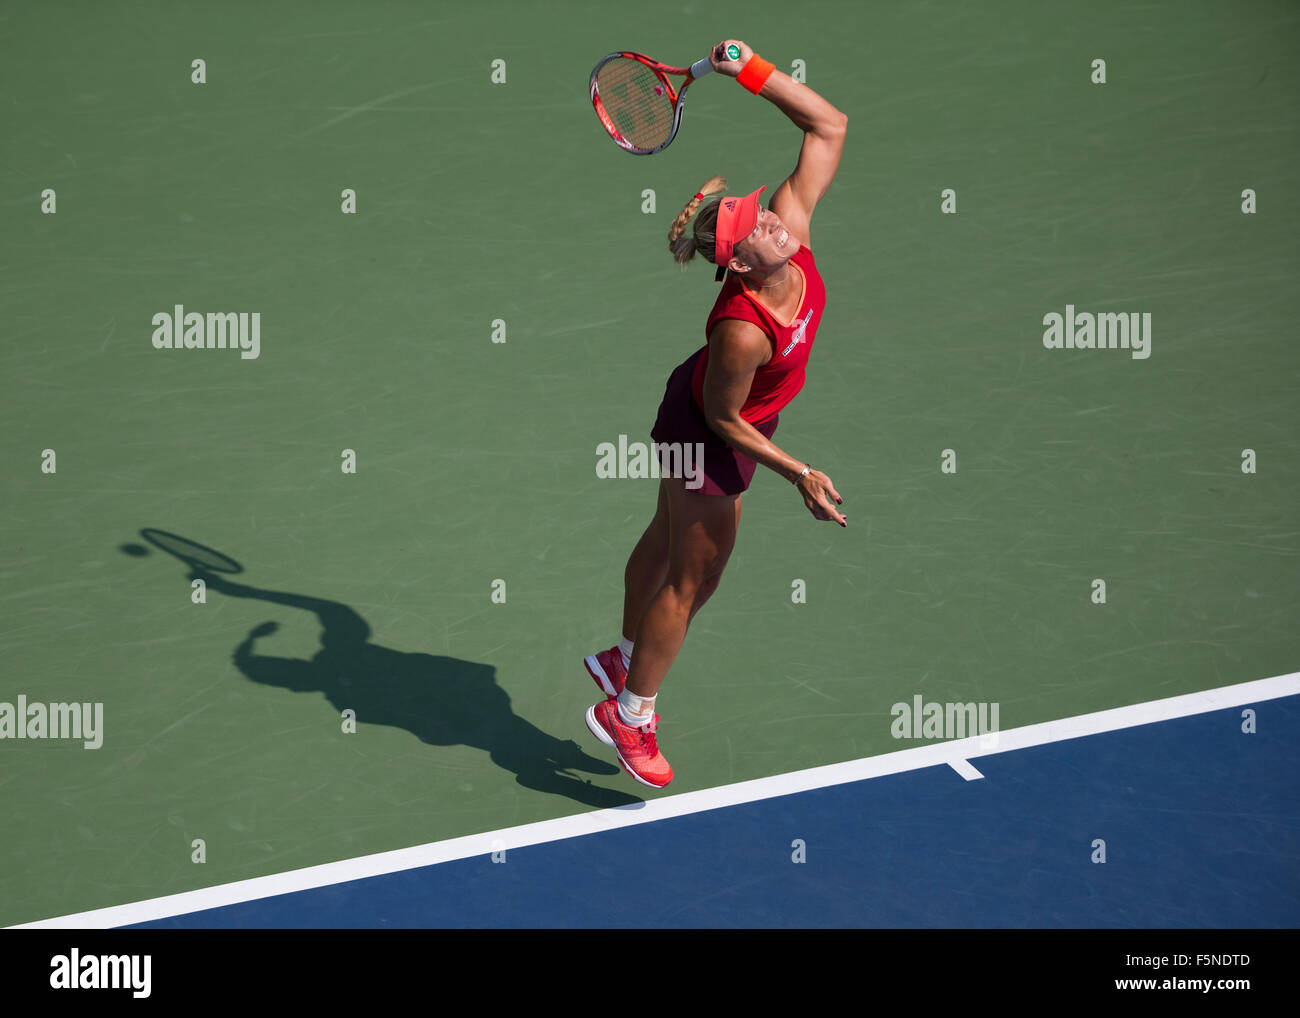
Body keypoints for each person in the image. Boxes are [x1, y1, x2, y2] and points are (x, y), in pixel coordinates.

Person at [584, 39, 848, 789]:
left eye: (764, 211)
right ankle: (630, 714)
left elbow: (829, 127)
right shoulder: (740, 329)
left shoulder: (788, 230)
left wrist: (753, 71)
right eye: (756, 228)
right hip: (710, 427)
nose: (772, 221)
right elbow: (725, 420)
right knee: (694, 577)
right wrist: (799, 472)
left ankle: (623, 659)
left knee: (670, 545)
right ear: (736, 265)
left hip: (709, 415)